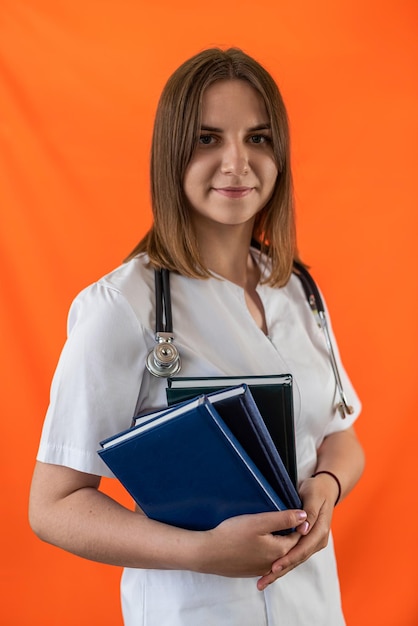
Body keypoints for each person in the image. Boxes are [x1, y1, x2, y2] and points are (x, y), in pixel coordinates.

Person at [29, 47, 365, 625]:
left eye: (258, 139)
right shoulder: (122, 307)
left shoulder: (296, 290)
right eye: (208, 139)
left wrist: (328, 487)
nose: (238, 163)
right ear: (171, 154)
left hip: (314, 608)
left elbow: (340, 436)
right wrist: (201, 553)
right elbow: (53, 506)